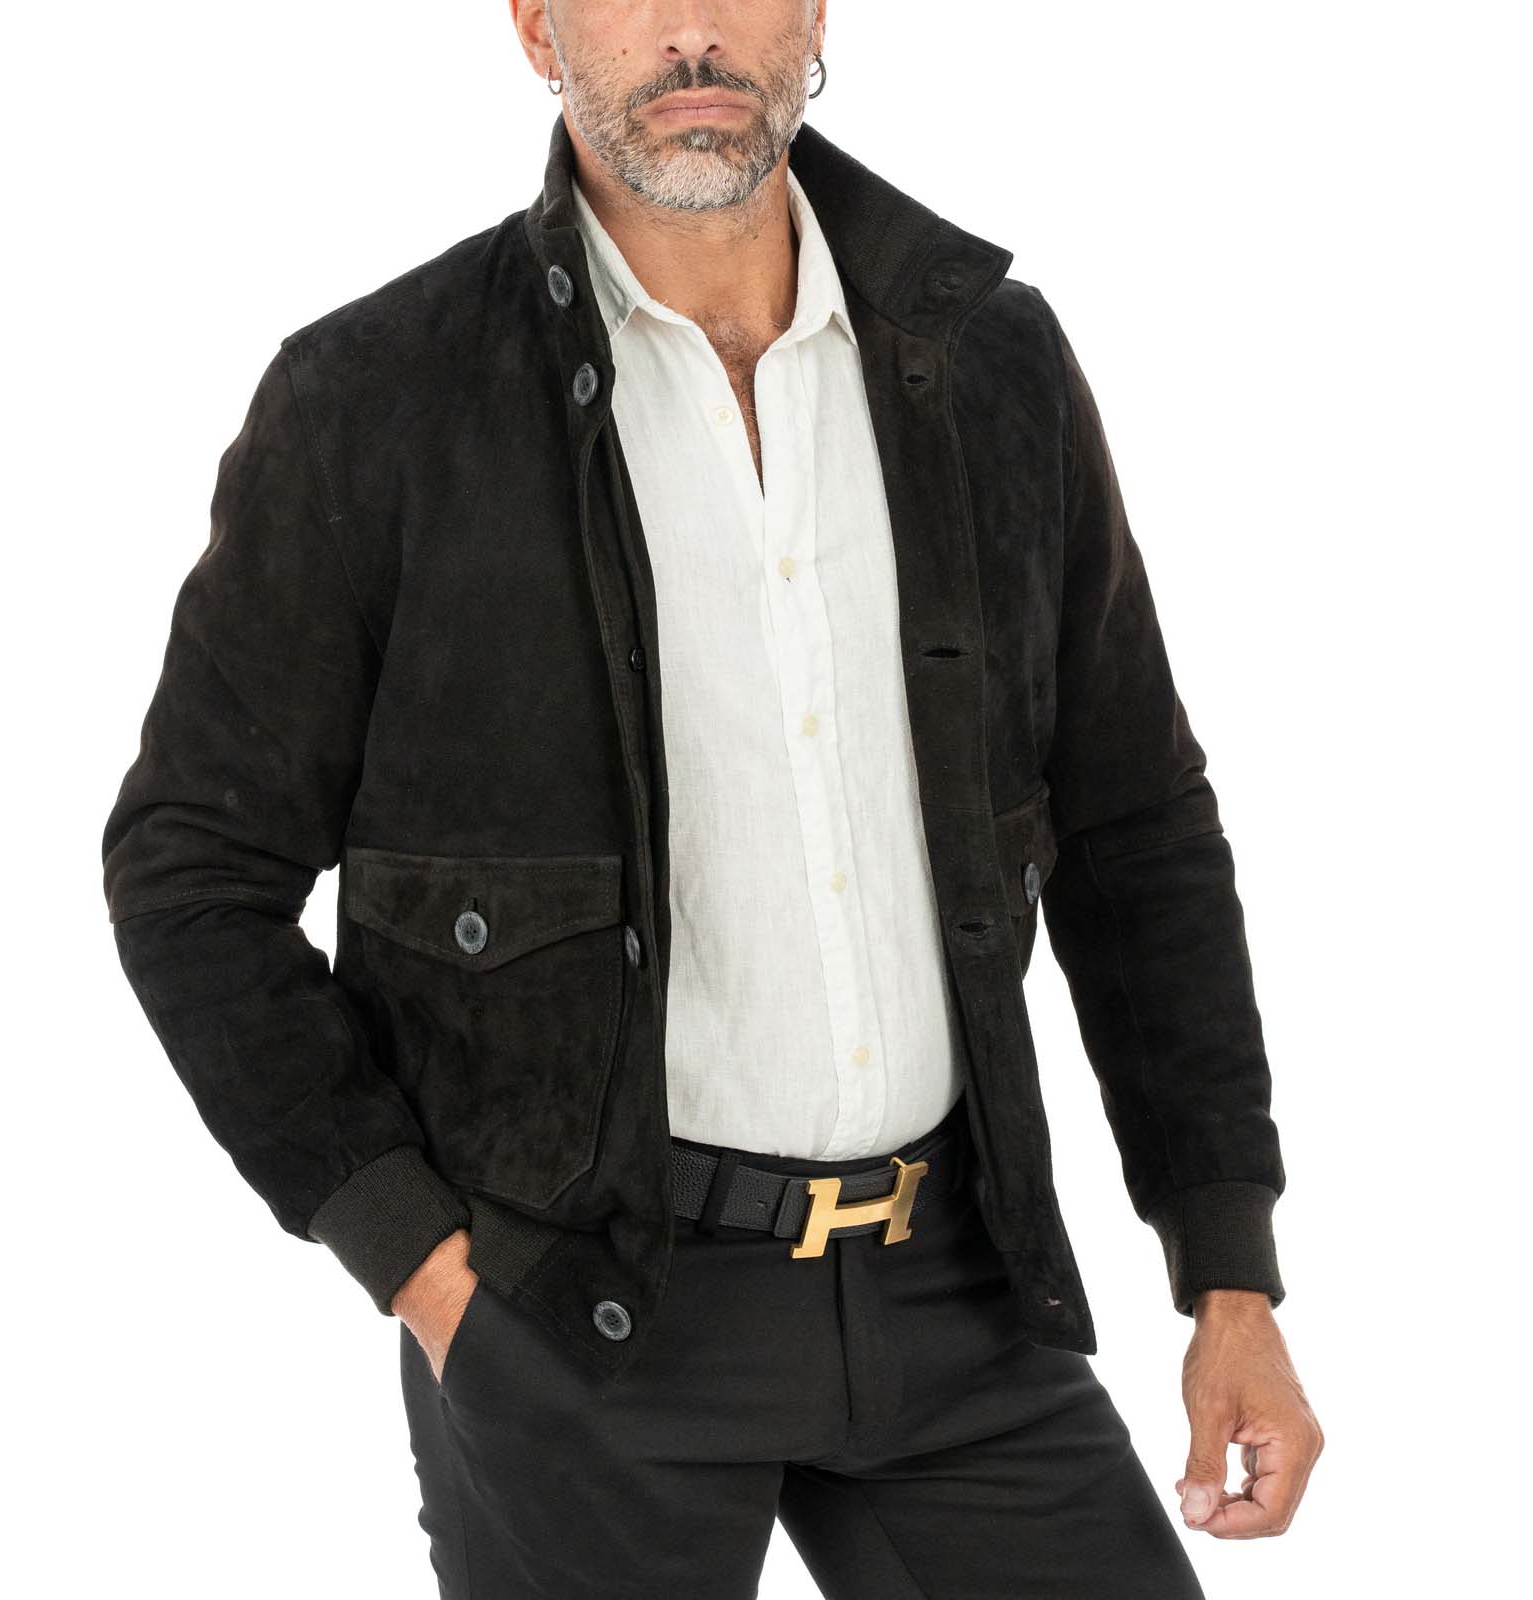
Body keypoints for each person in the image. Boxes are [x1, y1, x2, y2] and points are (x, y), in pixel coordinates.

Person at [101, 2, 1323, 1594]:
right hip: (578, 1318)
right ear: (535, 25)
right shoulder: (378, 399)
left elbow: (1135, 826)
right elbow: (192, 874)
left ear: (814, 12)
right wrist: (423, 1269)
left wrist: (1229, 1272)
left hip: (960, 1283)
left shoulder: (985, 361)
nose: (692, 29)